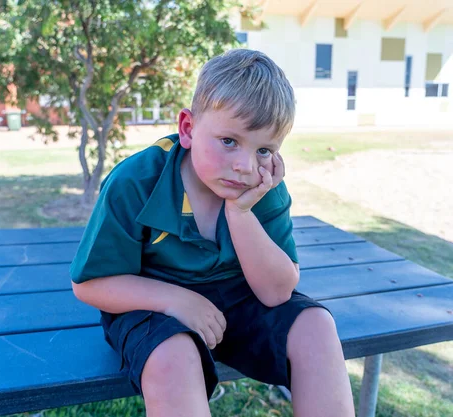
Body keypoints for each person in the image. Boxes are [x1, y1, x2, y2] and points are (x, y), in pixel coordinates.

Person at [70, 48, 355, 417]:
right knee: (173, 354)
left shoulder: (262, 186)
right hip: (152, 304)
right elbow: (90, 284)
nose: (244, 165)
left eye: (264, 149)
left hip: (238, 301)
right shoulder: (135, 182)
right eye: (229, 141)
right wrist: (178, 301)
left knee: (315, 325)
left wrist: (240, 212)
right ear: (188, 128)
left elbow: (276, 291)